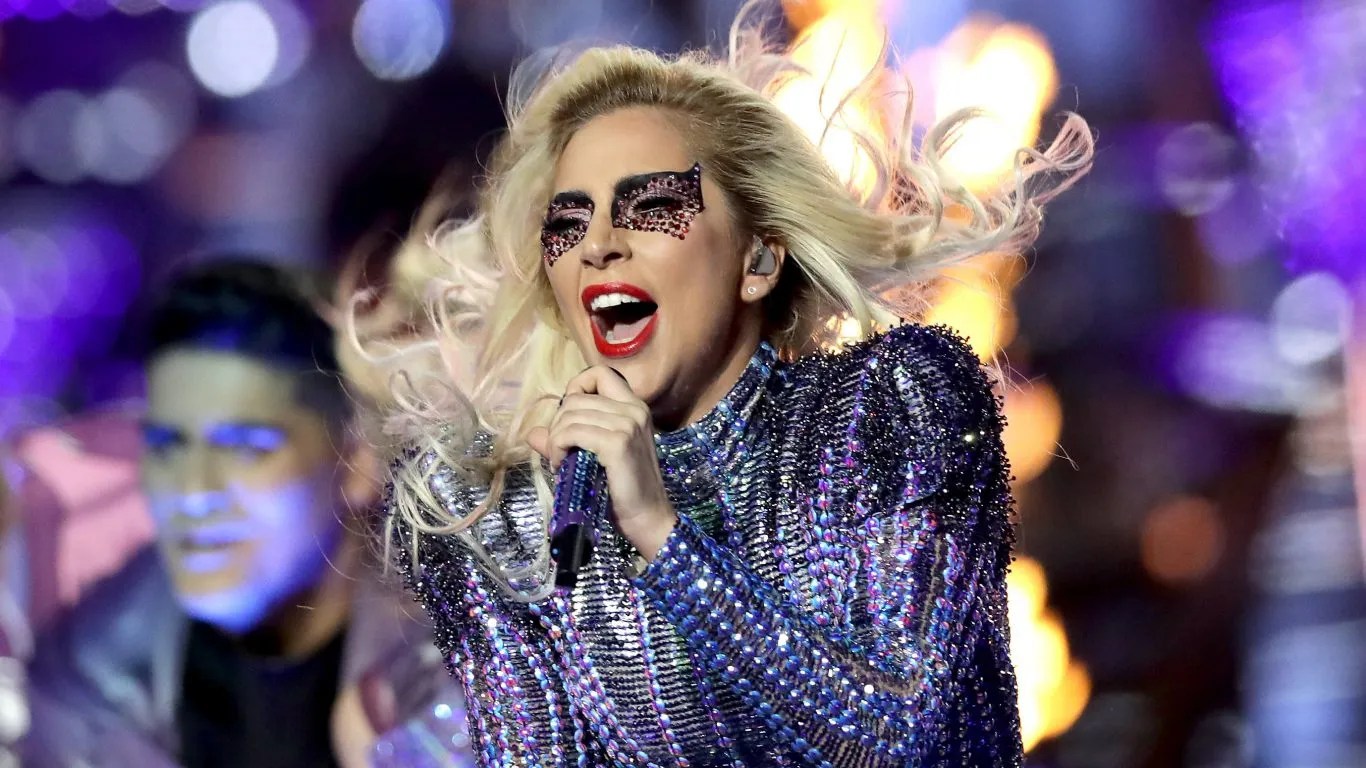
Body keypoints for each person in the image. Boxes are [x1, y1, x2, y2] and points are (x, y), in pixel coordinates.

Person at [351, 14, 1093, 767]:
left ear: (759, 260)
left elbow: (896, 736)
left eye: (651, 207)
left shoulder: (890, 408)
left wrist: (662, 535)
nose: (598, 244)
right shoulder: (521, 519)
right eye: (567, 221)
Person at [22, 259, 470, 768]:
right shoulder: (88, 668)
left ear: (357, 461)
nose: (192, 493)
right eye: (167, 445)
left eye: (244, 447)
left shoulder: (466, 659)